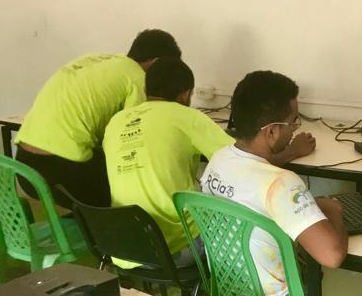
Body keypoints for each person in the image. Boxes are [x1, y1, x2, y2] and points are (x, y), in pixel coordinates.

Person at [103, 59, 316, 269]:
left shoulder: (115, 121)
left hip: (123, 248)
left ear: (144, 89)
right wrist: (293, 151)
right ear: (186, 94)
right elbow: (245, 159)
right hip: (173, 250)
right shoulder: (187, 117)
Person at [200, 70, 347, 296]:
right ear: (271, 131)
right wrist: (334, 212)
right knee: (346, 262)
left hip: (228, 286)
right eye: (293, 122)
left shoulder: (219, 159)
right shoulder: (282, 183)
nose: (294, 129)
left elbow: (254, 182)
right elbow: (333, 257)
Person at [14, 29, 179, 207]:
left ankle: (87, 220)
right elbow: (134, 138)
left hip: (24, 165)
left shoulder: (95, 59)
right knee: (133, 187)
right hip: (59, 171)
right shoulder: (138, 78)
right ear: (156, 63)